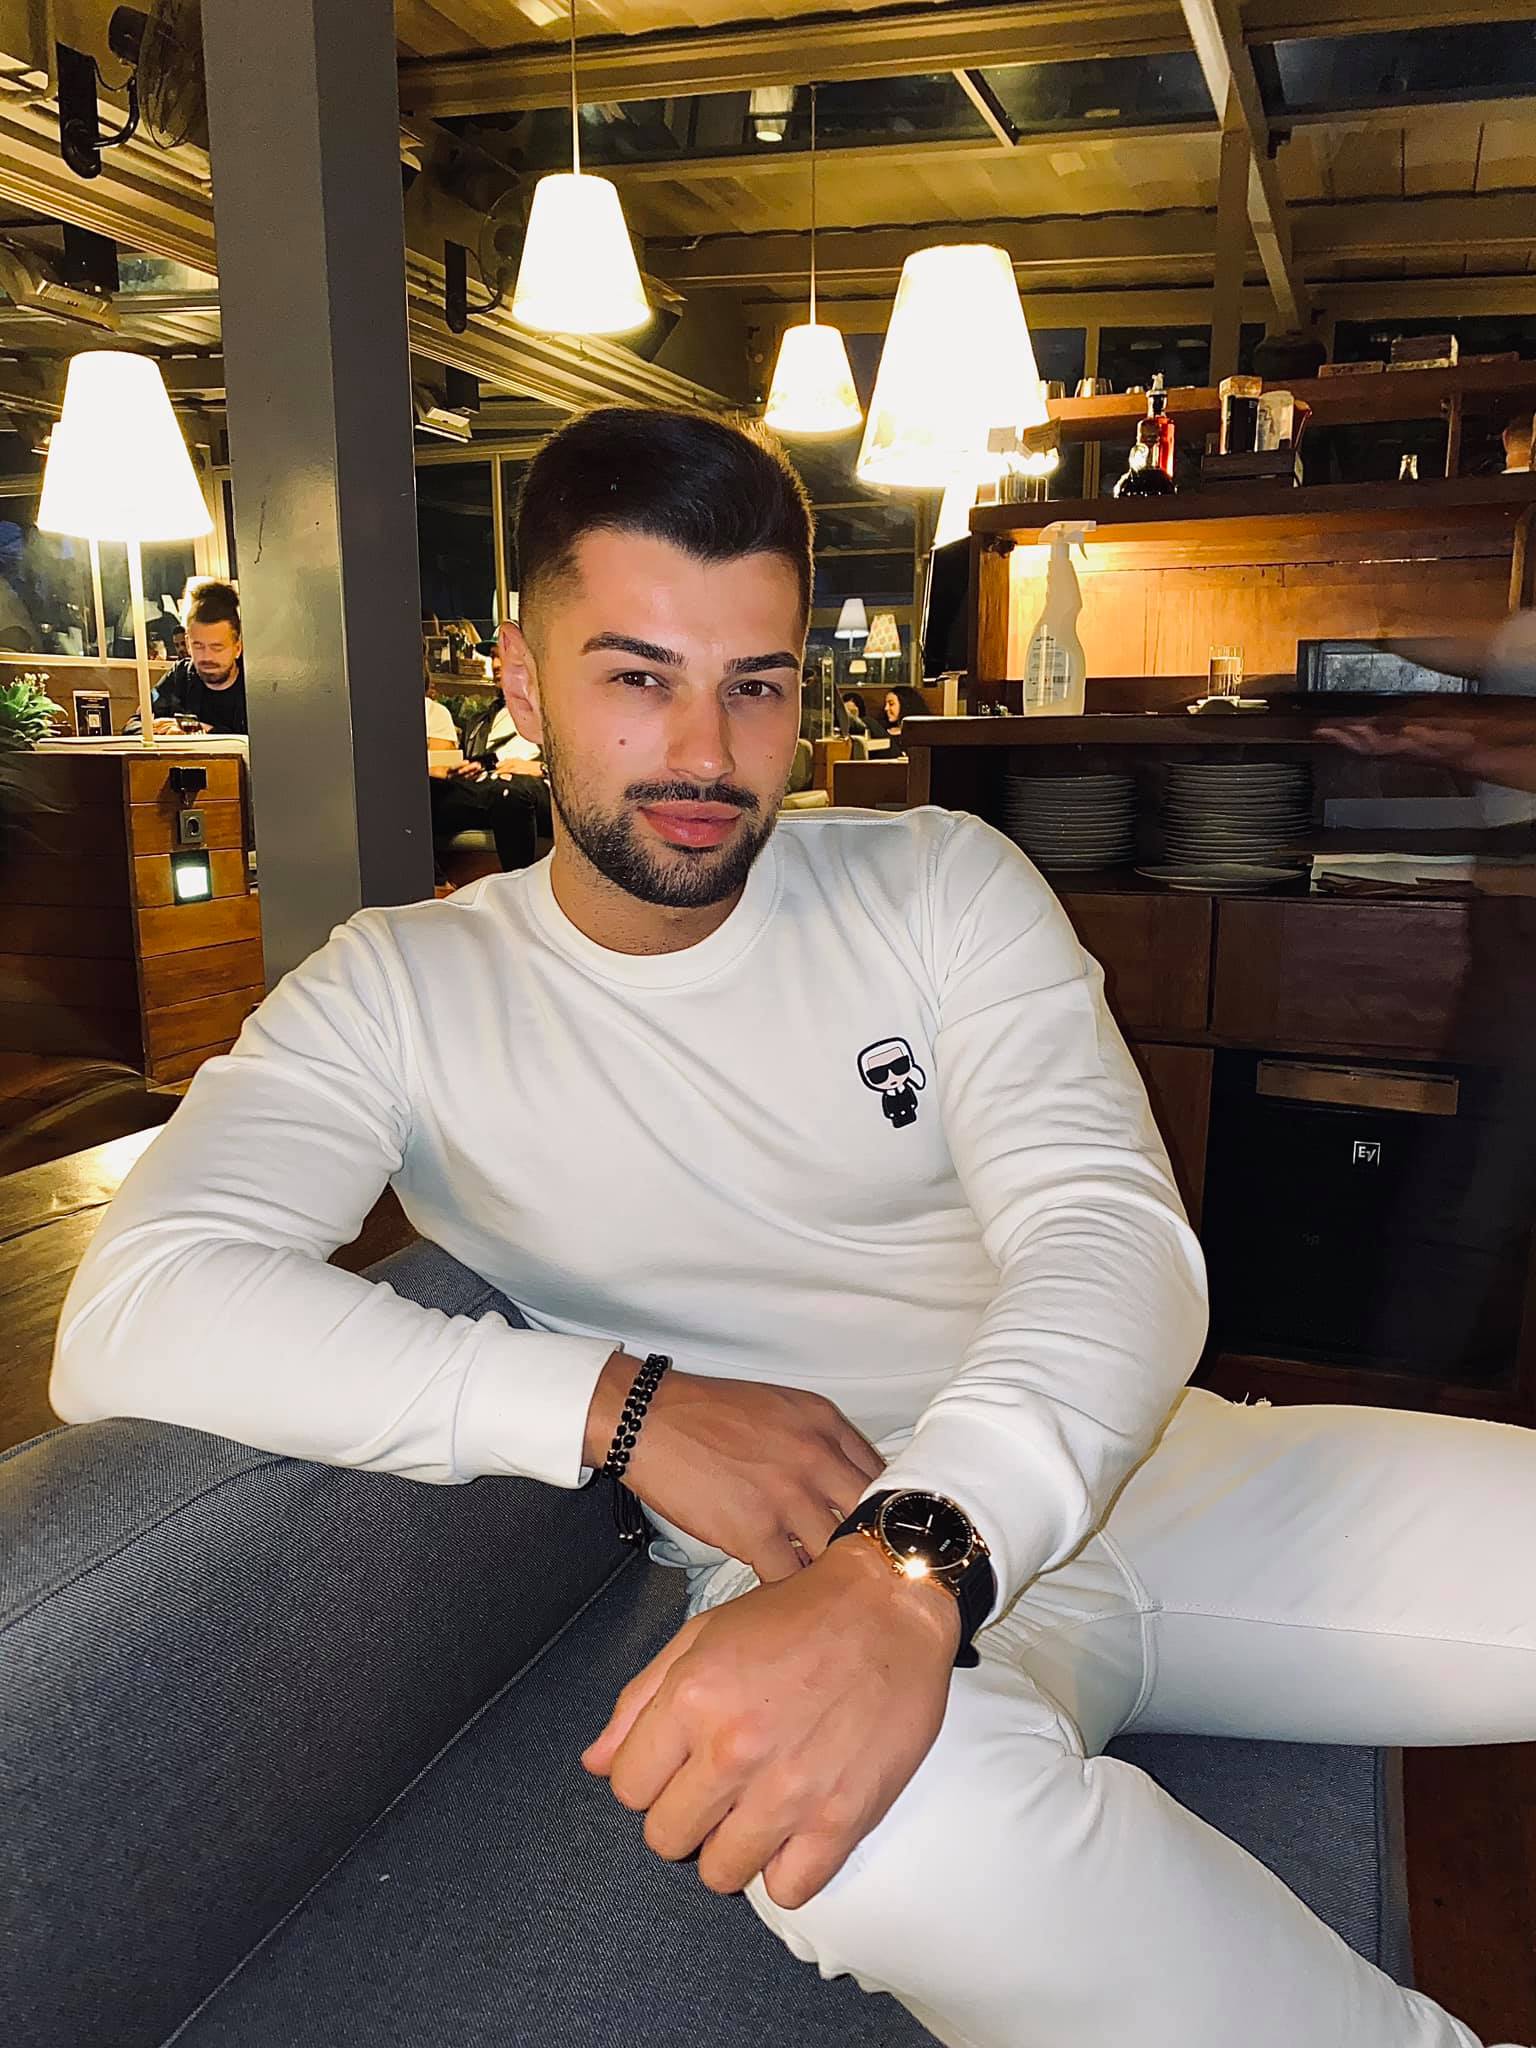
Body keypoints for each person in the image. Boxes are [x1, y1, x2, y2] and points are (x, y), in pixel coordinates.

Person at [52, 407, 1536, 2048]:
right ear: (524, 684)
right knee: (863, 1851)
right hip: (791, 1555)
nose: (705, 750)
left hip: (1143, 1475)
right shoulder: (399, 992)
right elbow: (137, 1305)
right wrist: (622, 1408)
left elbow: (1108, 1231)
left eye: (755, 683)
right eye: (637, 676)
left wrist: (918, 1556)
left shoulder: (938, 881)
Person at [424, 683, 538, 879]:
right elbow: (478, 761)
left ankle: (521, 889)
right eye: (495, 659)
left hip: (535, 783)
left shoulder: (556, 710)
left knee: (510, 792)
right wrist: (462, 770)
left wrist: (542, 768)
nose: (498, 667)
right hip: (486, 782)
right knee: (422, 792)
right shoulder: (481, 721)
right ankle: (436, 883)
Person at [147, 578, 247, 735]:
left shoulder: (254, 687)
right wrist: (162, 732)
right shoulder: (180, 675)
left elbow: (262, 741)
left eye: (217, 647)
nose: (207, 656)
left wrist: (201, 730)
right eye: (198, 646)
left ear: (238, 648)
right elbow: (134, 724)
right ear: (188, 644)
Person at [880, 683, 929, 758]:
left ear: (905, 704)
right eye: (886, 704)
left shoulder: (921, 734)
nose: (886, 708)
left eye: (891, 704)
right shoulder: (882, 731)